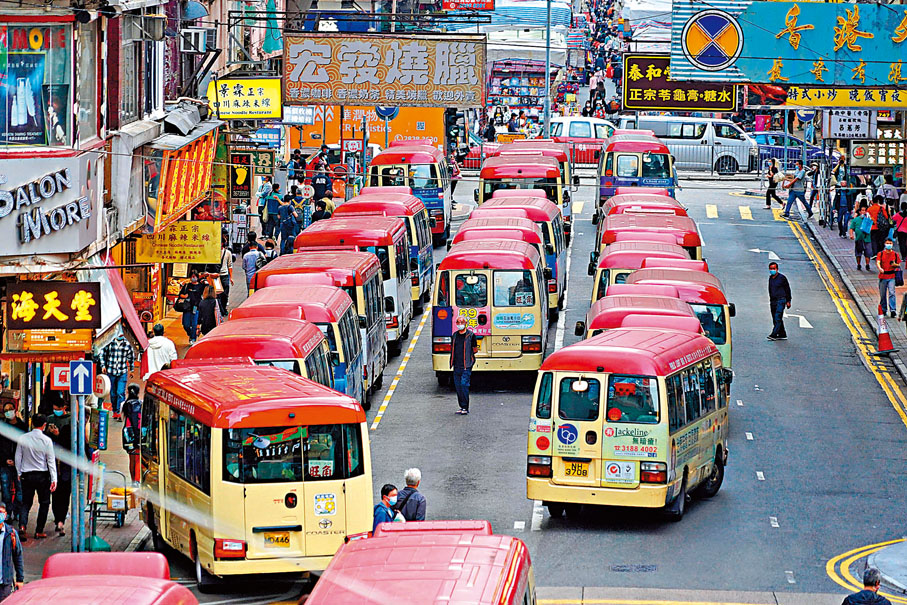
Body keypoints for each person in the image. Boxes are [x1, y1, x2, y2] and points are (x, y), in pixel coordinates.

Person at [16, 414, 56, 540]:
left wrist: (18, 472)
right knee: (44, 503)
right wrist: (54, 479)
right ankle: (39, 530)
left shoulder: (23, 438)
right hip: (42, 476)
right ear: (44, 425)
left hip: (26, 475)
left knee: (25, 503)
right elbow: (51, 461)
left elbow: (18, 457)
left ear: (32, 423)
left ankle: (22, 526)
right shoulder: (46, 441)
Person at [45, 401, 71, 537]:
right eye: (54, 408)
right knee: (55, 494)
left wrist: (58, 435)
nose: (56, 411)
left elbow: (72, 443)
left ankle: (61, 520)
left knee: (65, 494)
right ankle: (58, 520)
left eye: (58, 408)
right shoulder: (49, 419)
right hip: (53, 464)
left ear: (64, 408)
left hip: (66, 466)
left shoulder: (71, 421)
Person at [100, 333, 134, 421]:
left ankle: (120, 412)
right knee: (113, 393)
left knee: (120, 392)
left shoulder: (127, 344)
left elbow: (131, 357)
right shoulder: (110, 343)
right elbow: (102, 353)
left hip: (122, 371)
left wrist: (132, 369)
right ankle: (115, 410)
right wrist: (103, 365)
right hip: (111, 371)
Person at [0, 406, 24, 528]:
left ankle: (18, 512)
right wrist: (5, 460)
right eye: (5, 410)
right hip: (5, 464)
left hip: (20, 464)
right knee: (5, 489)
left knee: (20, 489)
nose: (8, 412)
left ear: (15, 410)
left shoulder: (22, 426)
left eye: (10, 409)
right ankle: (8, 512)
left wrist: (18, 460)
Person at [450, 316, 478, 415]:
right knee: (458, 387)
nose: (460, 324)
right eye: (458, 322)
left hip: (466, 365)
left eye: (461, 322)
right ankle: (461, 406)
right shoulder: (454, 335)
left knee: (464, 385)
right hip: (456, 365)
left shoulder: (471, 335)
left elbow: (475, 349)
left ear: (465, 323)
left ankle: (465, 407)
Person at [0, 501, 24, 600]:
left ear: (5, 515)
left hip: (5, 583)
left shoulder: (11, 534)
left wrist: (20, 579)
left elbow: (18, 556)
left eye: (1, 512)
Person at [178, 270, 206, 345]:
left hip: (196, 307)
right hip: (187, 308)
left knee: (194, 324)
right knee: (186, 324)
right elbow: (180, 295)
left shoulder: (201, 286)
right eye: (192, 276)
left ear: (197, 277)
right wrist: (184, 296)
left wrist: (205, 280)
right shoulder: (187, 285)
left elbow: (208, 289)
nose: (193, 278)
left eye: (194, 276)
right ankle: (190, 334)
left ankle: (193, 338)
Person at [122, 384, 142, 482]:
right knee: (138, 458)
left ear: (127, 392)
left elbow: (123, 419)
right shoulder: (140, 404)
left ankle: (133, 480)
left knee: (131, 459)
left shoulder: (124, 405)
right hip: (138, 434)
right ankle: (137, 481)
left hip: (128, 435)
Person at [767, 262, 791, 341]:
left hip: (781, 300)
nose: (772, 270)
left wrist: (788, 301)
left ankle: (774, 334)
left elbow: (787, 289)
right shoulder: (770, 278)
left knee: (778, 317)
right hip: (773, 301)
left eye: (774, 269)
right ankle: (782, 334)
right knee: (775, 317)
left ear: (777, 269)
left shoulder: (782, 278)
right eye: (771, 269)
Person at [877, 237, 901, 319]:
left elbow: (898, 264)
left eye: (890, 244)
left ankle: (893, 310)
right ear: (884, 244)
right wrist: (880, 268)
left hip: (892, 277)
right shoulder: (881, 254)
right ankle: (884, 309)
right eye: (887, 243)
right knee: (882, 294)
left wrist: (895, 265)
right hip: (883, 277)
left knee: (892, 293)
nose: (889, 245)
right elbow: (878, 262)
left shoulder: (895, 254)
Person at [849, 203, 874, 271]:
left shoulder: (868, 219)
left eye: (865, 210)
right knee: (858, 253)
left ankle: (867, 265)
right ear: (860, 212)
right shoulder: (855, 220)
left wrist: (870, 219)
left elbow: (873, 224)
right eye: (862, 210)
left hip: (867, 239)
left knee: (867, 253)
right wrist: (851, 235)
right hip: (859, 239)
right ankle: (859, 264)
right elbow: (851, 228)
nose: (863, 212)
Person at [868, 196, 891, 260]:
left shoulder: (869, 209)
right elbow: (886, 217)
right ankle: (880, 252)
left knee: (873, 240)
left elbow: (867, 218)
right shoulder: (880, 208)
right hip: (880, 227)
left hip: (872, 227)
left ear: (872, 201)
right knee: (880, 240)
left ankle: (875, 253)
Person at [216, 238, 233, 316]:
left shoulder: (228, 253)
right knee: (218, 294)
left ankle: (223, 308)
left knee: (225, 294)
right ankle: (221, 310)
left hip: (224, 275)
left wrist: (231, 277)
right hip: (216, 276)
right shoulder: (214, 252)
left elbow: (230, 265)